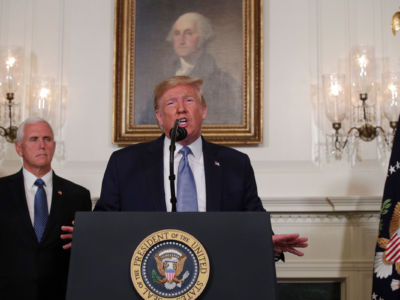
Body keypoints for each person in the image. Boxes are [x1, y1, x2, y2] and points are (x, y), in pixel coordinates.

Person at [65, 76, 306, 257]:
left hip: (218, 275)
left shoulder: (235, 164)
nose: (181, 108)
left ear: (203, 111)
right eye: (171, 103)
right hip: (149, 277)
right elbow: (107, 219)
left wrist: (268, 244)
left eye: (189, 100)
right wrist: (91, 234)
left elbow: (253, 219)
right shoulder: (126, 163)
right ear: (159, 117)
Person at [0, 117, 92, 300]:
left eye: (47, 139)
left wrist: (84, 238)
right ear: (19, 148)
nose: (42, 145)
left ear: (54, 146)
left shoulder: (78, 196)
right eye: (34, 139)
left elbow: (86, 254)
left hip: (61, 293)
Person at [136, 12, 242, 125]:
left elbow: (224, 122)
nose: (181, 40)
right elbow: (146, 120)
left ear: (203, 37)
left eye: (188, 33)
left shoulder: (221, 80)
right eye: (177, 34)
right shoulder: (165, 78)